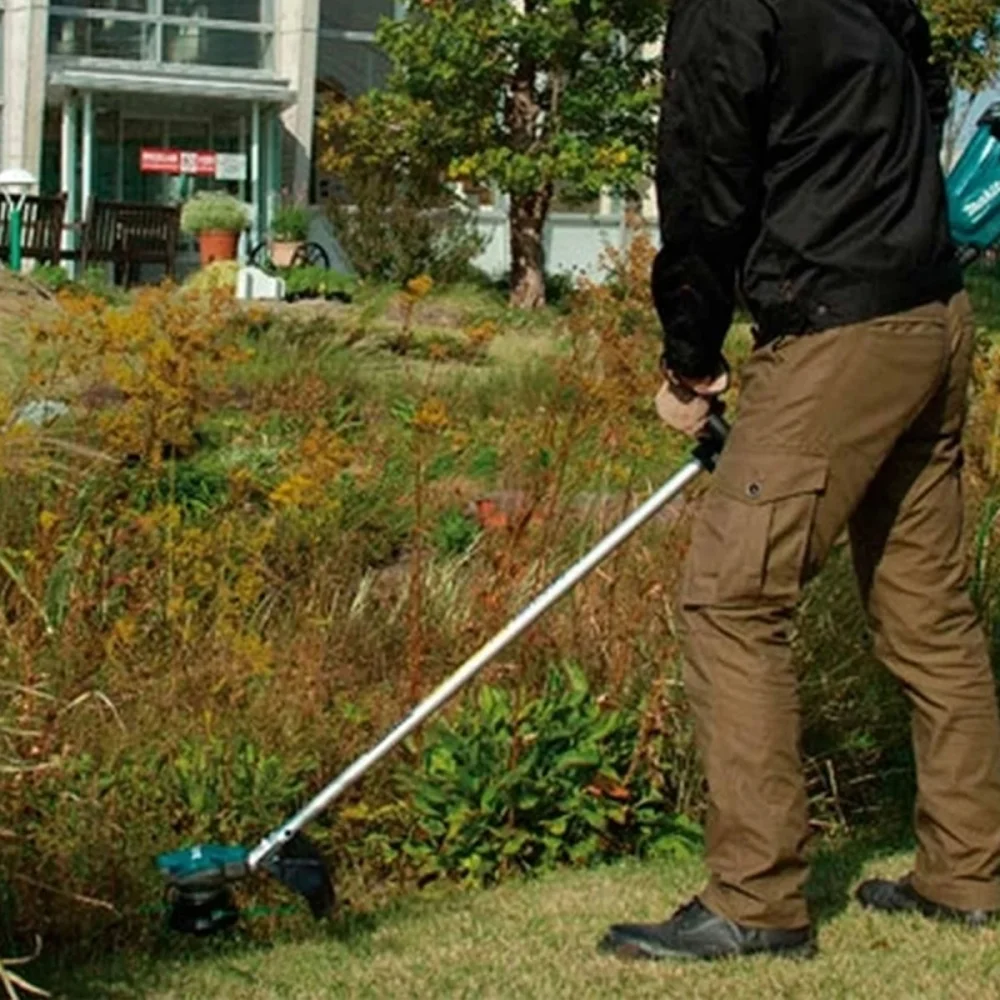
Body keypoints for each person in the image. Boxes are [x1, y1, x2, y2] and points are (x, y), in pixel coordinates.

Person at [600, 0, 1000, 962]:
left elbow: (703, 186)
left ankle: (756, 899)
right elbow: (925, 90)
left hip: (835, 327)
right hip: (933, 317)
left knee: (732, 601)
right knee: (927, 612)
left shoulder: (724, 7)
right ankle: (969, 874)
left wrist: (690, 359)